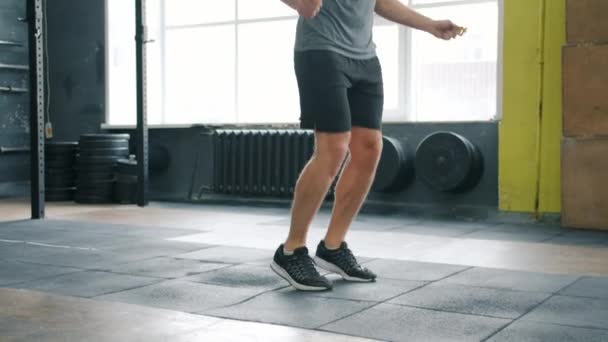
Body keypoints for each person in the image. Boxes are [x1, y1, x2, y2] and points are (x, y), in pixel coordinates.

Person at [271, 0, 465, 291]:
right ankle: (291, 250)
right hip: (321, 51)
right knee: (334, 147)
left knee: (370, 148)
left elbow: (380, 2)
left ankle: (333, 247)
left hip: (364, 57)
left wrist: (429, 25)